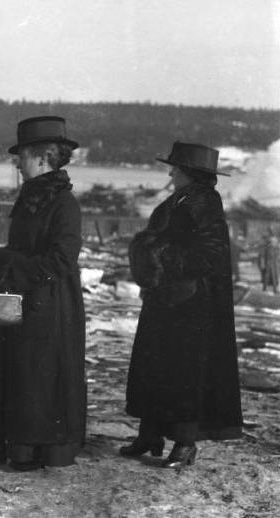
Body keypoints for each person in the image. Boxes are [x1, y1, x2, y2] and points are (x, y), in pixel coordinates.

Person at [0, 116, 87, 470]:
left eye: (21, 155)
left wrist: (5, 264)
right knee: (2, 364)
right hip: (15, 294)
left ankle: (29, 448)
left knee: (34, 373)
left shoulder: (64, 203)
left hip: (47, 302)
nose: (16, 162)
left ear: (41, 157)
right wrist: (6, 269)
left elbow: (62, 259)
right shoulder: (32, 194)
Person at [123, 141, 242, 469]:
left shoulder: (205, 202)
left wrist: (160, 255)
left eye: (176, 167)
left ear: (190, 173)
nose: (171, 171)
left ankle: (185, 444)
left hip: (190, 303)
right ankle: (150, 434)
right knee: (156, 367)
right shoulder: (184, 198)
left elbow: (209, 254)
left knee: (184, 373)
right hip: (167, 298)